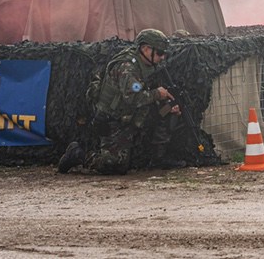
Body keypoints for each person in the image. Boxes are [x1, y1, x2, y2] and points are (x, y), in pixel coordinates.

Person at [58, 29, 185, 174]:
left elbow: (146, 92)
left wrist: (168, 106)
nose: (162, 57)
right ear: (145, 49)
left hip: (133, 115)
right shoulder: (127, 67)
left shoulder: (147, 64)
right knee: (114, 165)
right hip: (114, 120)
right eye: (160, 53)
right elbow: (133, 99)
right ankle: (79, 155)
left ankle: (159, 158)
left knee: (168, 110)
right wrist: (157, 94)